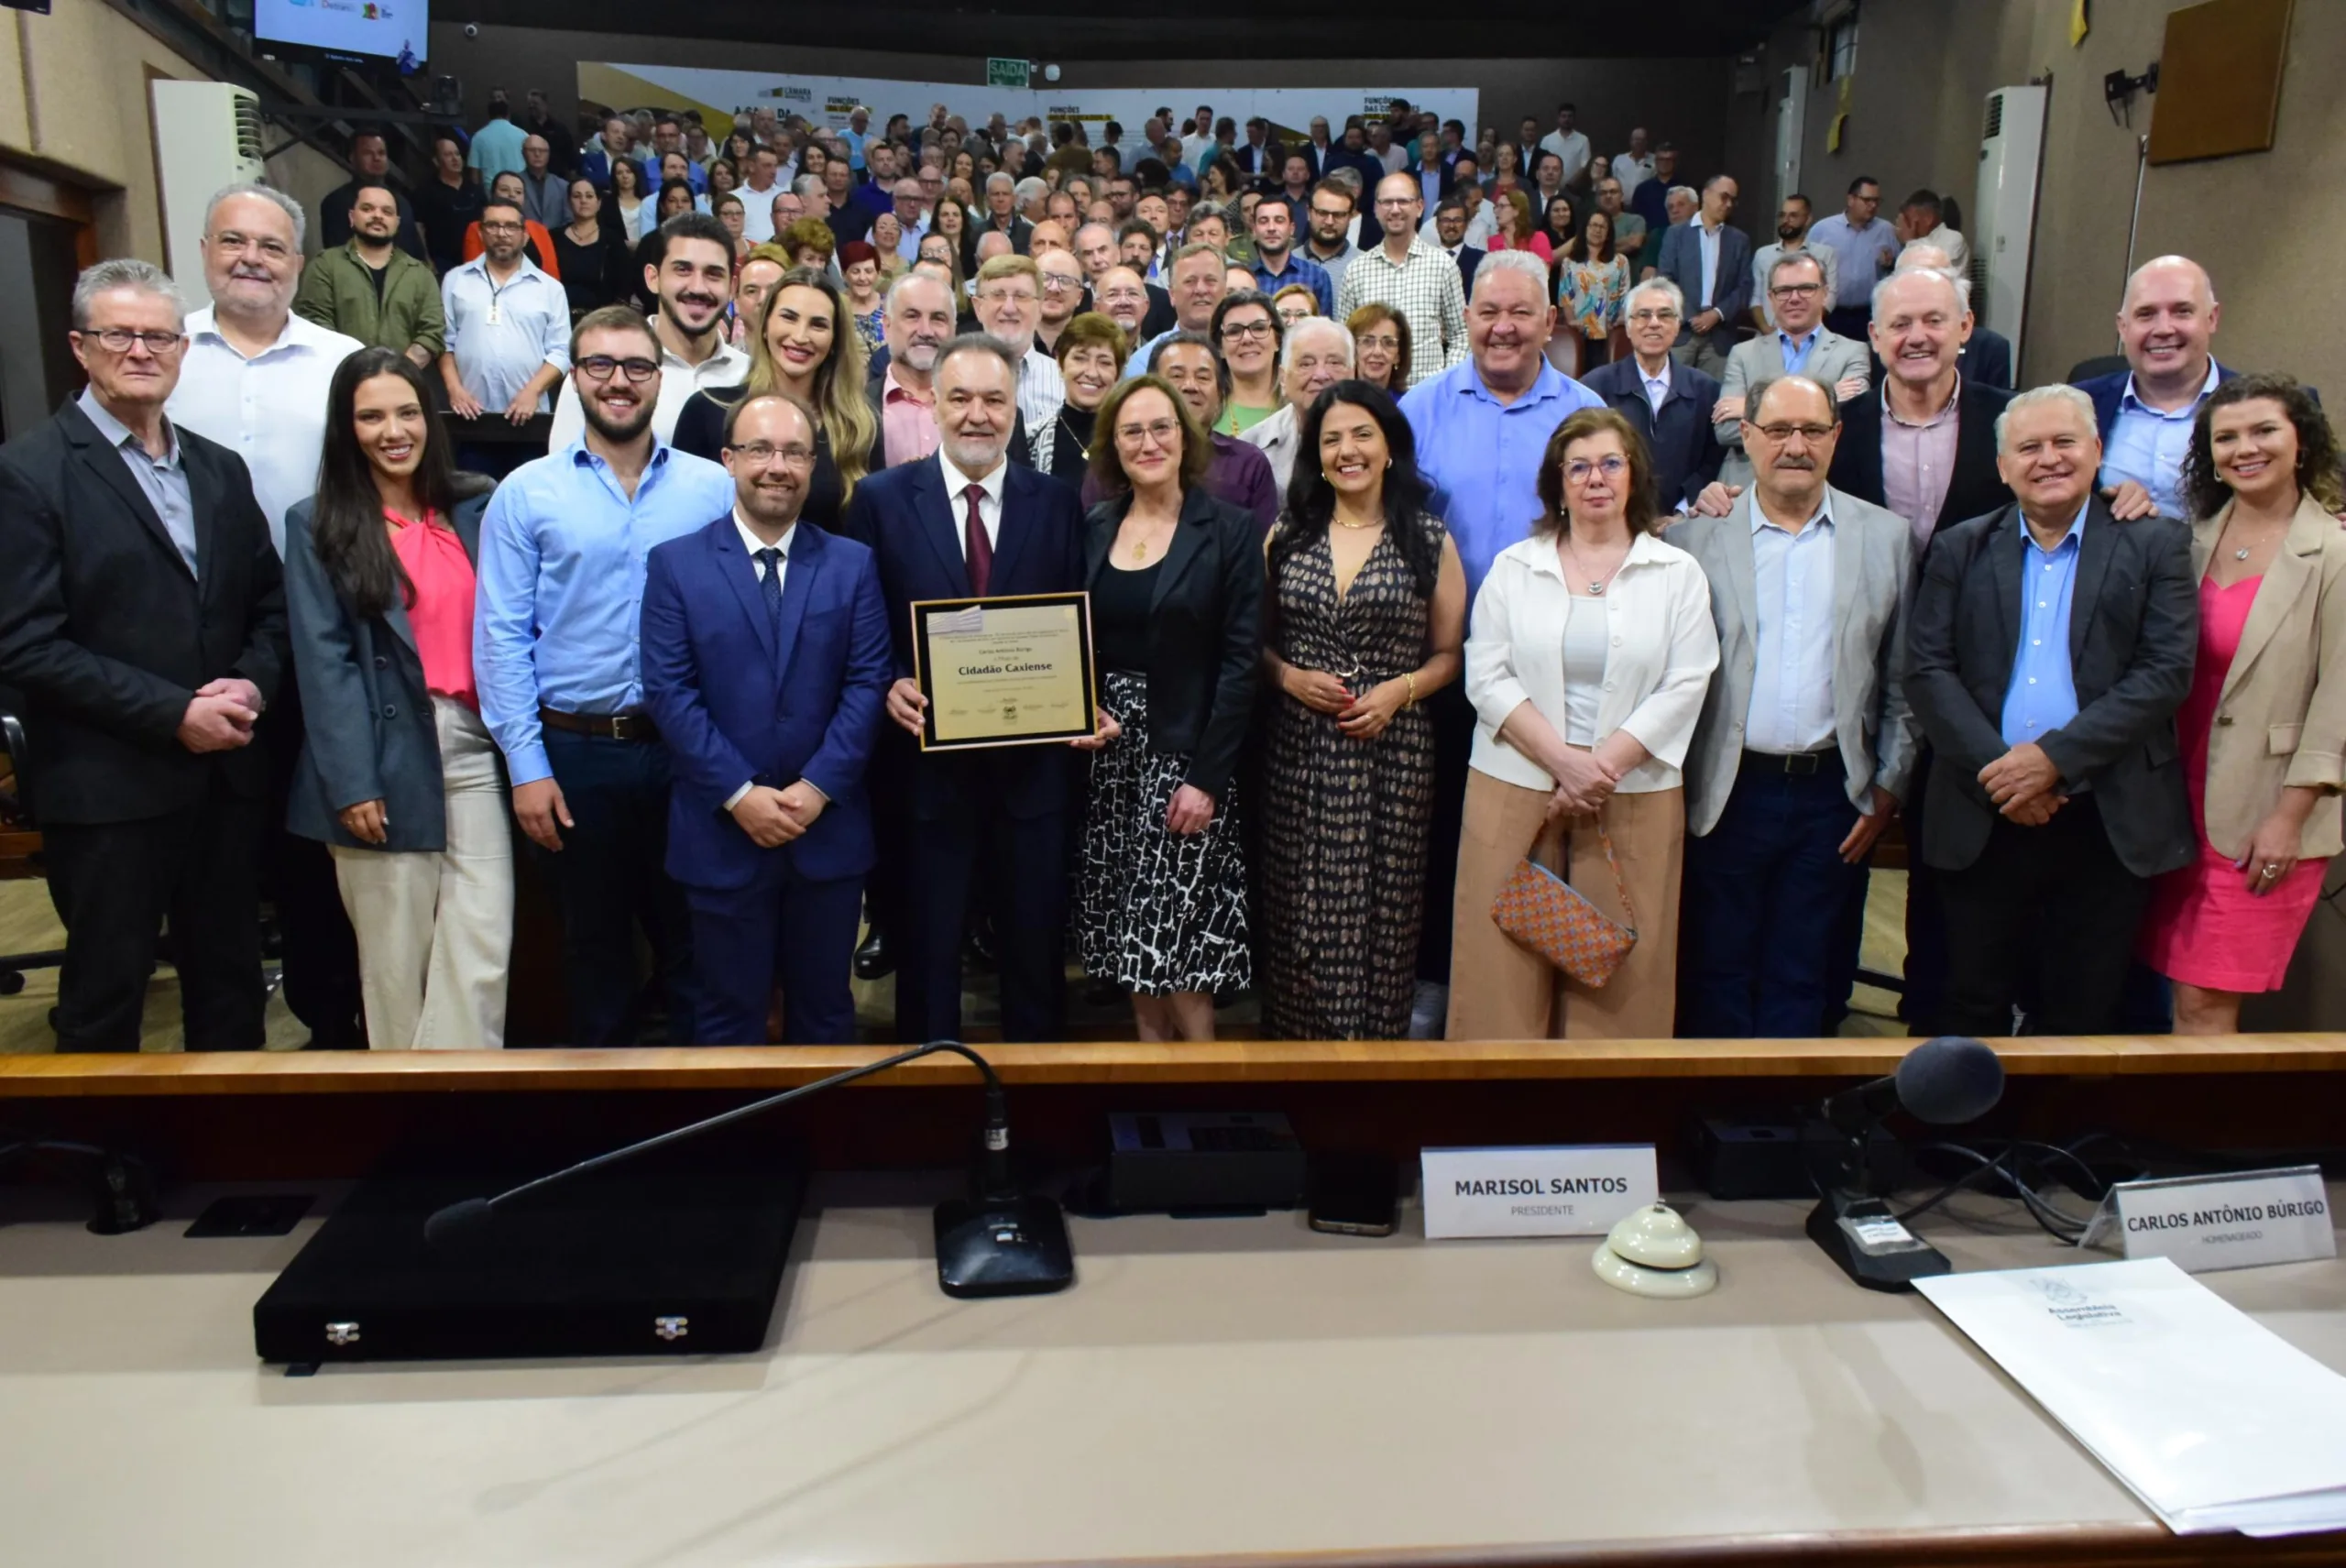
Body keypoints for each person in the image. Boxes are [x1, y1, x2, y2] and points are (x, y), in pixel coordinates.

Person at [0, 259, 289, 1053]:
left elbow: (270, 606)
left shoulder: (219, 470)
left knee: (230, 984)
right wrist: (173, 715)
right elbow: (25, 643)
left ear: (181, 348)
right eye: (118, 333)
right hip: (109, 790)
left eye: (159, 334)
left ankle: (225, 1160)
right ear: (80, 347)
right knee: (106, 995)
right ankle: (105, 1173)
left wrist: (253, 688)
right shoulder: (28, 473)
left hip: (224, 780)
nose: (141, 350)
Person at [473, 305, 737, 1047]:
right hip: (576, 754)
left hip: (687, 751)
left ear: (660, 380)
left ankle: (702, 1127)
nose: (619, 382)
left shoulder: (711, 490)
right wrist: (525, 765)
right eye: (600, 366)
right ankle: (614, 1134)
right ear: (575, 378)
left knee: (696, 941)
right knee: (593, 952)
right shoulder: (526, 493)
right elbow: (499, 636)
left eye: (637, 367)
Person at [1905, 385, 2197, 1037]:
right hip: (1984, 809)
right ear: (2003, 465)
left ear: (2098, 451)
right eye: (2028, 447)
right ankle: (1960, 1142)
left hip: (2102, 815)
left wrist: (2053, 762)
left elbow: (2164, 672)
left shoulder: (2156, 545)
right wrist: (2006, 773)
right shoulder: (1959, 549)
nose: (2049, 459)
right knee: (1968, 1001)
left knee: (2080, 1010)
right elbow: (1927, 669)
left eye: (2065, 442)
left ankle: (2052, 1142)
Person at [843, 334, 1091, 1043]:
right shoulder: (882, 501)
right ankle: (932, 1116)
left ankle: (1038, 1122)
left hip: (1032, 776)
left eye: (994, 399)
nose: (977, 415)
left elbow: (1075, 621)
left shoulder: (1057, 503)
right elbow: (864, 625)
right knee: (926, 960)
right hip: (926, 776)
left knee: (1035, 962)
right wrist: (891, 676)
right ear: (933, 405)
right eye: (960, 398)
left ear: (1017, 407)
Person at [165, 186, 367, 1050]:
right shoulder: (164, 349)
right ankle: (224, 1043)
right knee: (214, 858)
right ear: (206, 248)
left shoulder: (342, 360)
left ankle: (331, 1027)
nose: (252, 258)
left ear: (298, 262)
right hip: (191, 641)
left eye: (272, 246)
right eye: (234, 241)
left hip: (320, 631)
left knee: (314, 852)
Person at [1447, 406, 1718, 1040]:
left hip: (1631, 790)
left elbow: (1688, 679)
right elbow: (1486, 674)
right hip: (1516, 783)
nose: (1595, 478)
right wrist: (1565, 762)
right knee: (1500, 966)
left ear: (1634, 475)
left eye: (1610, 463)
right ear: (1557, 483)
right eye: (1579, 467)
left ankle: (1603, 1121)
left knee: (1626, 969)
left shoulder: (1676, 573)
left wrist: (1603, 766)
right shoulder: (1516, 567)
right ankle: (1492, 1115)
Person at [639, 391, 891, 1044]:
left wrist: (816, 789)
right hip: (722, 835)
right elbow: (670, 692)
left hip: (826, 833)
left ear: (813, 464)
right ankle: (739, 1151)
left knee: (828, 1015)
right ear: (728, 459)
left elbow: (868, 684)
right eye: (759, 450)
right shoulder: (676, 565)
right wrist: (740, 794)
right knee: (726, 1017)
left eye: (794, 452)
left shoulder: (852, 564)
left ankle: (826, 1147)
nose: (777, 466)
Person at [1672, 374, 1917, 1037]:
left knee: (1805, 971)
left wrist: (1887, 789)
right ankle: (1715, 1127)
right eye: (1778, 430)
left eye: (1812, 429)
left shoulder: (1888, 539)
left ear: (1837, 438)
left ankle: (1790, 1125)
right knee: (1717, 967)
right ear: (1746, 437)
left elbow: (1904, 680)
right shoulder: (1694, 540)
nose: (1795, 445)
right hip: (1726, 790)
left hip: (1832, 795)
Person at [1398, 251, 1605, 1030]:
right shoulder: (1420, 410)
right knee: (1445, 832)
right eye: (1488, 313)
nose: (1504, 328)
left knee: (1542, 838)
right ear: (1467, 320)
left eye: (1521, 313)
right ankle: (1440, 986)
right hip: (1442, 670)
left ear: (1550, 321)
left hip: (1552, 676)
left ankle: (1541, 997)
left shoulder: (1586, 417)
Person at [280, 349, 509, 1050]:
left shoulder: (477, 499)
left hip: (472, 745)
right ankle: (409, 1123)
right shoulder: (317, 521)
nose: (392, 430)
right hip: (380, 753)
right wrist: (354, 780)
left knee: (481, 949)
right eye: (370, 415)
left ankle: (463, 1114)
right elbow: (326, 662)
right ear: (346, 428)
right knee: (395, 966)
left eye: (407, 411)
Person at [2139, 376, 2346, 1034]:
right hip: (2171, 807)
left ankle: (2189, 1137)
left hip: (2263, 812)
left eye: (2264, 431)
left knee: (2205, 1003)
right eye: (2226, 437)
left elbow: (2339, 699)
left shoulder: (2333, 552)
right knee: (2164, 993)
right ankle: (2155, 1130)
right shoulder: (2188, 539)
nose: (2244, 448)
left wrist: (2289, 816)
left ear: (2302, 443)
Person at [1258, 382, 1464, 1037]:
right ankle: (1298, 1067)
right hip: (1299, 751)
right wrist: (1289, 676)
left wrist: (1397, 691)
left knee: (1386, 911)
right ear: (1315, 456)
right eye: (1331, 439)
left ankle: (1374, 1070)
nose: (1348, 450)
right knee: (1300, 911)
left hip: (1394, 752)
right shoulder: (1287, 535)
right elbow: (1254, 642)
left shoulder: (1429, 538)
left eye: (1362, 434)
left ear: (1389, 447)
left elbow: (1450, 654)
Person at [1077, 373, 1263, 1039]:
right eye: (1132, 430)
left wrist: (1207, 780)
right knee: (1132, 942)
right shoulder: (1095, 525)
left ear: (1186, 439)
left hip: (1185, 759)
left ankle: (1203, 1103)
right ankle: (1152, 1097)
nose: (1148, 441)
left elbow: (1243, 664)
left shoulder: (1232, 531)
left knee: (1179, 947)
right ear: (1113, 445)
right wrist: (1082, 707)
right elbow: (1077, 640)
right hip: (1111, 761)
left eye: (1162, 427)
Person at [674, 268, 874, 533]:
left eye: (818, 324)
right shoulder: (706, 411)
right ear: (766, 325)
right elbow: (682, 522)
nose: (801, 336)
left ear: (835, 341)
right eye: (789, 317)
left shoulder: (860, 426)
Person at [552, 213, 749, 451]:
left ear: (732, 288)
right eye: (683, 270)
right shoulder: (600, 372)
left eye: (713, 274)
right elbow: (563, 475)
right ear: (652, 278)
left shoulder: (754, 376)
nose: (698, 287)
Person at [2077, 256, 2232, 522]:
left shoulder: (2273, 408)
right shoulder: (2079, 404)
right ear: (2123, 327)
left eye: (2182, 311)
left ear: (2212, 318)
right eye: (2146, 314)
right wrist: (2103, 504)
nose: (2163, 329)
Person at [1712, 252, 1870, 487]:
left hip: (1821, 484)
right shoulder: (1742, 354)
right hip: (1745, 486)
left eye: (1806, 288)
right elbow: (1726, 431)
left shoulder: (1852, 352)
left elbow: (1851, 426)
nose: (1794, 298)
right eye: (1784, 291)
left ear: (1824, 293)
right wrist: (1828, 398)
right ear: (1771, 298)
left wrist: (1750, 406)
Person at [1579, 279, 1726, 512]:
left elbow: (1713, 461)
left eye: (1665, 315)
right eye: (1643, 315)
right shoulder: (1594, 388)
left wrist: (1682, 510)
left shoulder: (1706, 390)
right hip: (1613, 519)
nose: (1654, 323)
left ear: (1677, 326)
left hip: (1684, 521)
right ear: (1628, 326)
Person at [1123, 334, 1281, 535]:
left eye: (1203, 377)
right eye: (1177, 376)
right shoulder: (1127, 455)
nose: (1190, 386)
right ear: (1151, 386)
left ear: (1221, 392)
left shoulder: (1248, 464)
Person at [1336, 173, 1467, 387]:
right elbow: (1344, 340)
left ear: (1420, 206)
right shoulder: (1356, 270)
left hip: (1427, 399)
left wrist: (1445, 384)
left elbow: (1462, 334)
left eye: (1403, 201)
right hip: (1372, 398)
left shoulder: (1443, 265)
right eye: (1387, 202)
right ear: (1376, 209)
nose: (1395, 209)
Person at [296, 184, 446, 367]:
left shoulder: (420, 274)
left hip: (403, 384)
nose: (377, 215)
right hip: (339, 382)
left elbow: (432, 331)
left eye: (387, 212)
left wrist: (397, 373)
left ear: (397, 223)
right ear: (352, 217)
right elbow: (315, 323)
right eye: (367, 209)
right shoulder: (325, 265)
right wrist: (354, 374)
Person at [1239, 316, 1352, 491]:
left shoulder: (1380, 440)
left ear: (1353, 373)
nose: (1321, 375)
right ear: (1283, 378)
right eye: (1306, 364)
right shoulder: (1252, 446)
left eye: (1334, 362)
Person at [1651, 176, 1749, 378]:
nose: (1729, 204)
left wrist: (1717, 314)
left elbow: (1744, 286)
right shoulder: (1676, 234)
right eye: (1724, 197)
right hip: (1681, 332)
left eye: (1733, 199)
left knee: (1714, 402)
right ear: (1706, 195)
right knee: (1671, 395)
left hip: (1720, 335)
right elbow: (1665, 280)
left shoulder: (1739, 240)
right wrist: (1691, 316)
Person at [1808, 175, 1900, 342]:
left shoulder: (1886, 231)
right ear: (1851, 200)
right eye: (1867, 200)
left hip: (1868, 314)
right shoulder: (1822, 230)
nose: (1872, 206)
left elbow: (1900, 271)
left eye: (1876, 201)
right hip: (1832, 313)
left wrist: (1890, 264)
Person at [320, 130, 426, 261]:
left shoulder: (402, 203)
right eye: (368, 153)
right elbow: (336, 256)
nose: (377, 158)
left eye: (381, 153)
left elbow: (416, 252)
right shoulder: (336, 202)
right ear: (352, 158)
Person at [1044, 309, 1124, 479]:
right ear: (1060, 362)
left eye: (1104, 362)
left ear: (1118, 373)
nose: (1092, 373)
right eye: (1080, 358)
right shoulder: (1031, 440)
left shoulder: (1132, 440)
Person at [1749, 194, 1839, 333]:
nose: (1786, 220)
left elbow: (1830, 297)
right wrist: (1766, 329)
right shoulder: (1763, 255)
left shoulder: (1824, 254)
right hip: (1768, 336)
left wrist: (1805, 327)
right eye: (1783, 215)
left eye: (1793, 216)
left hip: (1809, 336)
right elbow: (1755, 298)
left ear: (1807, 219)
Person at [1555, 210, 1629, 369]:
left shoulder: (1620, 261)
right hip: (1579, 331)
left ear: (1609, 232)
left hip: (1610, 331)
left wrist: (1621, 319)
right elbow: (1565, 296)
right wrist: (1571, 321)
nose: (1597, 230)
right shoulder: (1570, 262)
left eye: (1603, 227)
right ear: (1585, 229)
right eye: (1594, 225)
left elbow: (1625, 293)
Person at [552, 178, 630, 319]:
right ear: (569, 202)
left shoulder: (612, 240)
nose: (583, 200)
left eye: (589, 196)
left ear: (599, 203)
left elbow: (624, 286)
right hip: (558, 317)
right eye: (577, 196)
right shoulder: (553, 238)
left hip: (603, 319)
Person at [1211, 291, 1283, 434]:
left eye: (1259, 328)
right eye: (1234, 331)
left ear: (1278, 341)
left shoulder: (1298, 408)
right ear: (1220, 348)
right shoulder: (1206, 411)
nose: (1247, 338)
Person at [1248, 196, 1333, 315]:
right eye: (1263, 221)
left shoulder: (1316, 277)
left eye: (1279, 220)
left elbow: (1324, 330)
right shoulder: (1245, 278)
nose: (1271, 228)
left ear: (1292, 228)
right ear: (1254, 229)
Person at [415, 135, 485, 279]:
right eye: (448, 155)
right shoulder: (426, 191)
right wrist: (427, 258)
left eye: (457, 154)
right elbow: (419, 227)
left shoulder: (474, 188)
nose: (455, 159)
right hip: (443, 261)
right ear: (436, 161)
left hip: (476, 258)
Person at [1893, 190, 1969, 276]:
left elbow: (1929, 273)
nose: (1906, 227)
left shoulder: (1953, 238)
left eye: (1909, 220)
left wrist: (1910, 241)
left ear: (1928, 219)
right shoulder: (1914, 244)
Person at [1347, 302, 1411, 394]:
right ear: (1353, 349)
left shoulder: (1407, 405)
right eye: (1367, 341)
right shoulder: (1338, 403)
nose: (1377, 352)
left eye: (1388, 343)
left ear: (1398, 355)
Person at [515, 136, 570, 235]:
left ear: (549, 154)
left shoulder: (563, 186)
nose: (537, 154)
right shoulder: (514, 183)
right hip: (524, 240)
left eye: (542, 150)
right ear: (523, 153)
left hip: (556, 241)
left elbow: (569, 219)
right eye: (532, 150)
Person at [840, 240, 886, 353]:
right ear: (844, 274)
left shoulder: (890, 305)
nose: (862, 278)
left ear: (878, 274)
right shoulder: (837, 307)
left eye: (869, 271)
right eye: (855, 272)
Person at [1485, 190, 1551, 266]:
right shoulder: (1493, 241)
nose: (1496, 211)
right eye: (1496, 207)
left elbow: (1543, 273)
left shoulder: (1538, 238)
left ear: (1517, 210)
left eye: (1502, 206)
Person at [1538, 104, 1592, 190]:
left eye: (1570, 116)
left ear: (1574, 119)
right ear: (1558, 118)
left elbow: (1585, 166)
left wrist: (1570, 185)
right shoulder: (1547, 140)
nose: (1566, 119)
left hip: (1574, 188)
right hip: (1550, 187)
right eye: (1563, 116)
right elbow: (1541, 165)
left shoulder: (1583, 140)